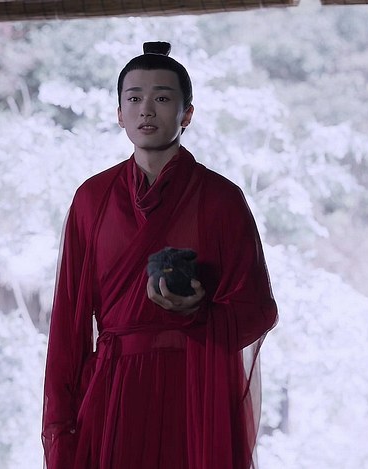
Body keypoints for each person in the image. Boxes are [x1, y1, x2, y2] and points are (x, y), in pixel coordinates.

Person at [41, 41, 278, 469]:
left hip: (194, 390)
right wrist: (61, 428)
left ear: (187, 114)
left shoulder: (221, 199)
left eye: (163, 99)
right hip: (112, 392)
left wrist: (198, 312)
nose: (146, 110)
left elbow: (259, 310)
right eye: (134, 99)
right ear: (119, 114)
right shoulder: (92, 199)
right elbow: (67, 327)